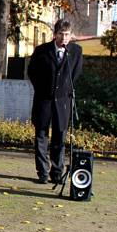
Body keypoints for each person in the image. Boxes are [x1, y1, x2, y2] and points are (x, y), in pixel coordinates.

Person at [27, 19, 83, 183]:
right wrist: (44, 89)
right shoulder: (42, 51)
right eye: (61, 34)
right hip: (44, 100)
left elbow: (76, 73)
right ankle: (43, 172)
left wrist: (63, 90)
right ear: (55, 34)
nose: (64, 38)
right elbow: (32, 72)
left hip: (63, 101)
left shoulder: (76, 51)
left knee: (60, 136)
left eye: (67, 35)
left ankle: (57, 172)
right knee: (41, 136)